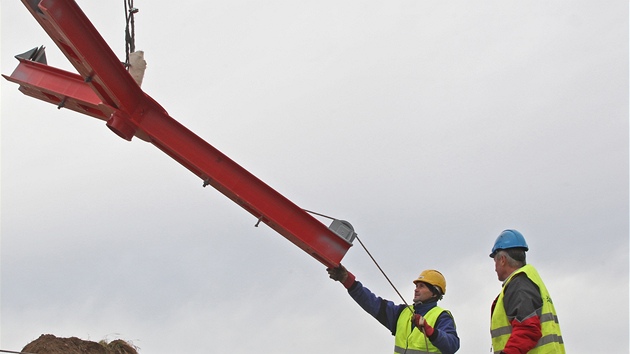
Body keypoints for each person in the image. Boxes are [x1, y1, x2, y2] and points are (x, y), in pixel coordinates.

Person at [327, 265, 460, 353]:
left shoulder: (441, 316)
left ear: (435, 293)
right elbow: (372, 303)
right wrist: (347, 280)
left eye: (421, 286)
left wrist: (431, 331)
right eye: (416, 285)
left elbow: (452, 345)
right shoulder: (402, 313)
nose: (416, 289)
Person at [489, 229, 565, 354]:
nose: (495, 268)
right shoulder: (529, 280)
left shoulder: (519, 285)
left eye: (495, 261)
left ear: (502, 259)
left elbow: (528, 328)